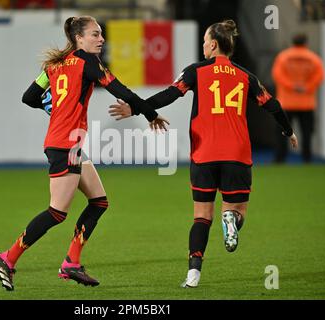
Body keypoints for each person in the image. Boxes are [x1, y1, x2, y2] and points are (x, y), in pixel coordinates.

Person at [109, 20, 298, 288]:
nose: (203, 46)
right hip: (237, 153)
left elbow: (169, 95)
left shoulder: (195, 72)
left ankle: (193, 274)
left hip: (204, 153)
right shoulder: (246, 76)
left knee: (201, 217)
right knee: (237, 210)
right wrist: (288, 131)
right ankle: (231, 219)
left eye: (205, 41)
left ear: (212, 44)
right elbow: (273, 105)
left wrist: (136, 108)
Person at [0, 15, 169, 291]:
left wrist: (52, 108)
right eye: (96, 34)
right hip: (65, 145)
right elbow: (118, 89)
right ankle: (7, 257)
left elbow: (29, 97)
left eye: (101, 34)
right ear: (79, 38)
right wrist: (150, 113)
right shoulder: (88, 62)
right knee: (56, 212)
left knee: (99, 202)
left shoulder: (53, 65)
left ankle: (71, 263)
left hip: (67, 143)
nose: (101, 39)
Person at [272, 33, 325, 163]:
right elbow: (320, 76)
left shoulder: (283, 57)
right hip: (306, 103)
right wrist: (306, 87)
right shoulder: (313, 58)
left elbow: (277, 75)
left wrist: (292, 86)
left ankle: (280, 159)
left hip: (286, 103)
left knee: (282, 133)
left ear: (293, 42)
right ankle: (307, 159)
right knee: (307, 133)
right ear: (306, 43)